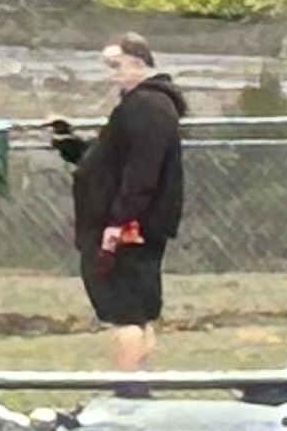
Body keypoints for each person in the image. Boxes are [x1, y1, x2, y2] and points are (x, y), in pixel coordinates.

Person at [46, 35, 189, 378]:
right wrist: (70, 144)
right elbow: (108, 162)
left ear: (138, 63)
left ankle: (127, 395)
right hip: (132, 224)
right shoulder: (141, 106)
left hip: (129, 228)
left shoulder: (146, 107)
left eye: (116, 66)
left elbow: (142, 172)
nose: (112, 75)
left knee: (125, 314)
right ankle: (139, 391)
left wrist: (118, 223)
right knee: (138, 314)